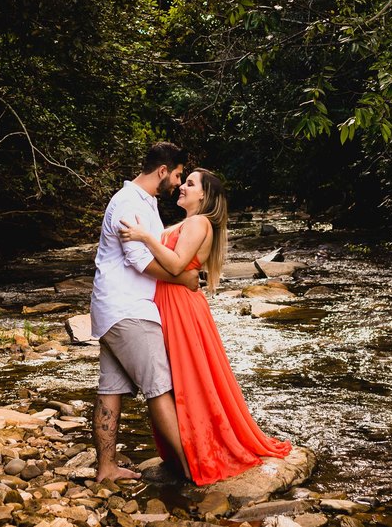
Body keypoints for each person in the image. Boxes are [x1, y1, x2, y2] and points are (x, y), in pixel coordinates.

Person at [119, 168, 292, 486]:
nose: (182, 187)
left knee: (188, 378)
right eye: (184, 182)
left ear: (204, 195)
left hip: (181, 307)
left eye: (189, 184)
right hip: (171, 302)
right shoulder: (187, 223)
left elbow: (174, 264)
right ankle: (184, 447)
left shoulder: (199, 223)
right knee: (176, 377)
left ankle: (199, 446)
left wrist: (144, 236)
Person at [90, 141, 200, 484]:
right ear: (163, 171)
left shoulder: (145, 202)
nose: (179, 183)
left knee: (111, 389)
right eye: (178, 175)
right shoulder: (127, 202)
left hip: (115, 309)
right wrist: (184, 278)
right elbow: (139, 261)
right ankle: (190, 468)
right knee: (160, 389)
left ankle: (106, 468)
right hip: (129, 312)